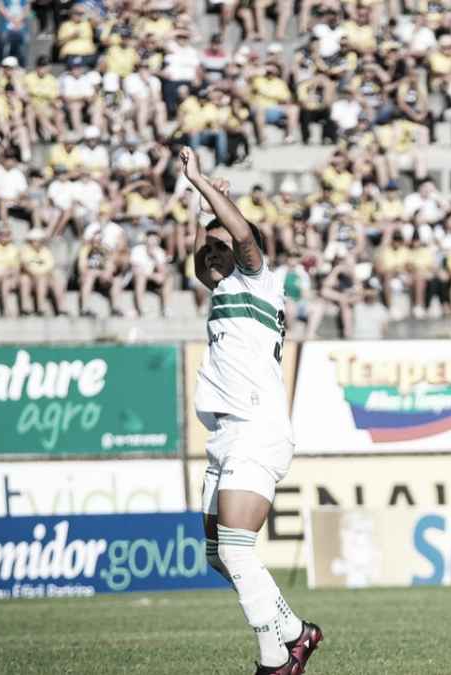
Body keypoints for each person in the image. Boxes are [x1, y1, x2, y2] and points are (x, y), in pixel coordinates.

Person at [178, 146, 321, 675]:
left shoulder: (256, 280)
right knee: (219, 553)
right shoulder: (220, 288)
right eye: (207, 248)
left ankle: (276, 659)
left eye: (221, 246)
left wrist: (202, 184)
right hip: (225, 434)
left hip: (256, 427)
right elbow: (203, 254)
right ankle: (294, 631)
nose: (211, 254)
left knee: (238, 550)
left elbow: (239, 238)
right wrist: (202, 213)